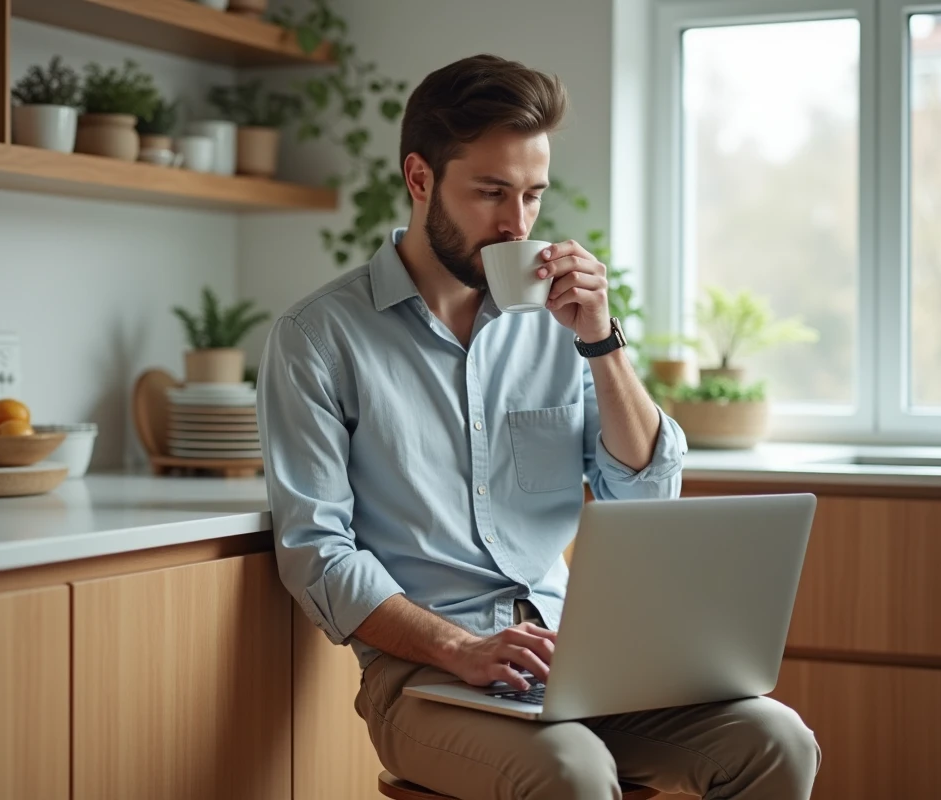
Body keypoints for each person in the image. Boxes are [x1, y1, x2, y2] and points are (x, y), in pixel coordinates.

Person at [256, 53, 820, 800]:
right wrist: (459, 647)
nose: (516, 224)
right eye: (491, 192)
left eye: (532, 195)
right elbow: (317, 556)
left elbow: (643, 500)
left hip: (576, 659)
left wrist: (602, 343)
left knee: (778, 741)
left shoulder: (561, 324)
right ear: (420, 179)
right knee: (572, 771)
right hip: (423, 675)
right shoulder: (318, 338)